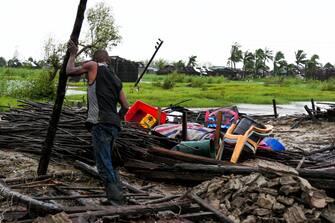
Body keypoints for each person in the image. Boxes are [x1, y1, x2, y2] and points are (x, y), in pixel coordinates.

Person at [66, 40, 129, 205]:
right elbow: (126, 106)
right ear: (108, 60)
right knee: (108, 159)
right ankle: (118, 194)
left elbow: (69, 71)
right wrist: (117, 119)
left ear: (96, 60)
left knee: (103, 162)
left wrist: (73, 54)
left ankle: (116, 200)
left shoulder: (93, 66)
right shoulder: (116, 79)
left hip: (100, 123)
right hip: (113, 124)